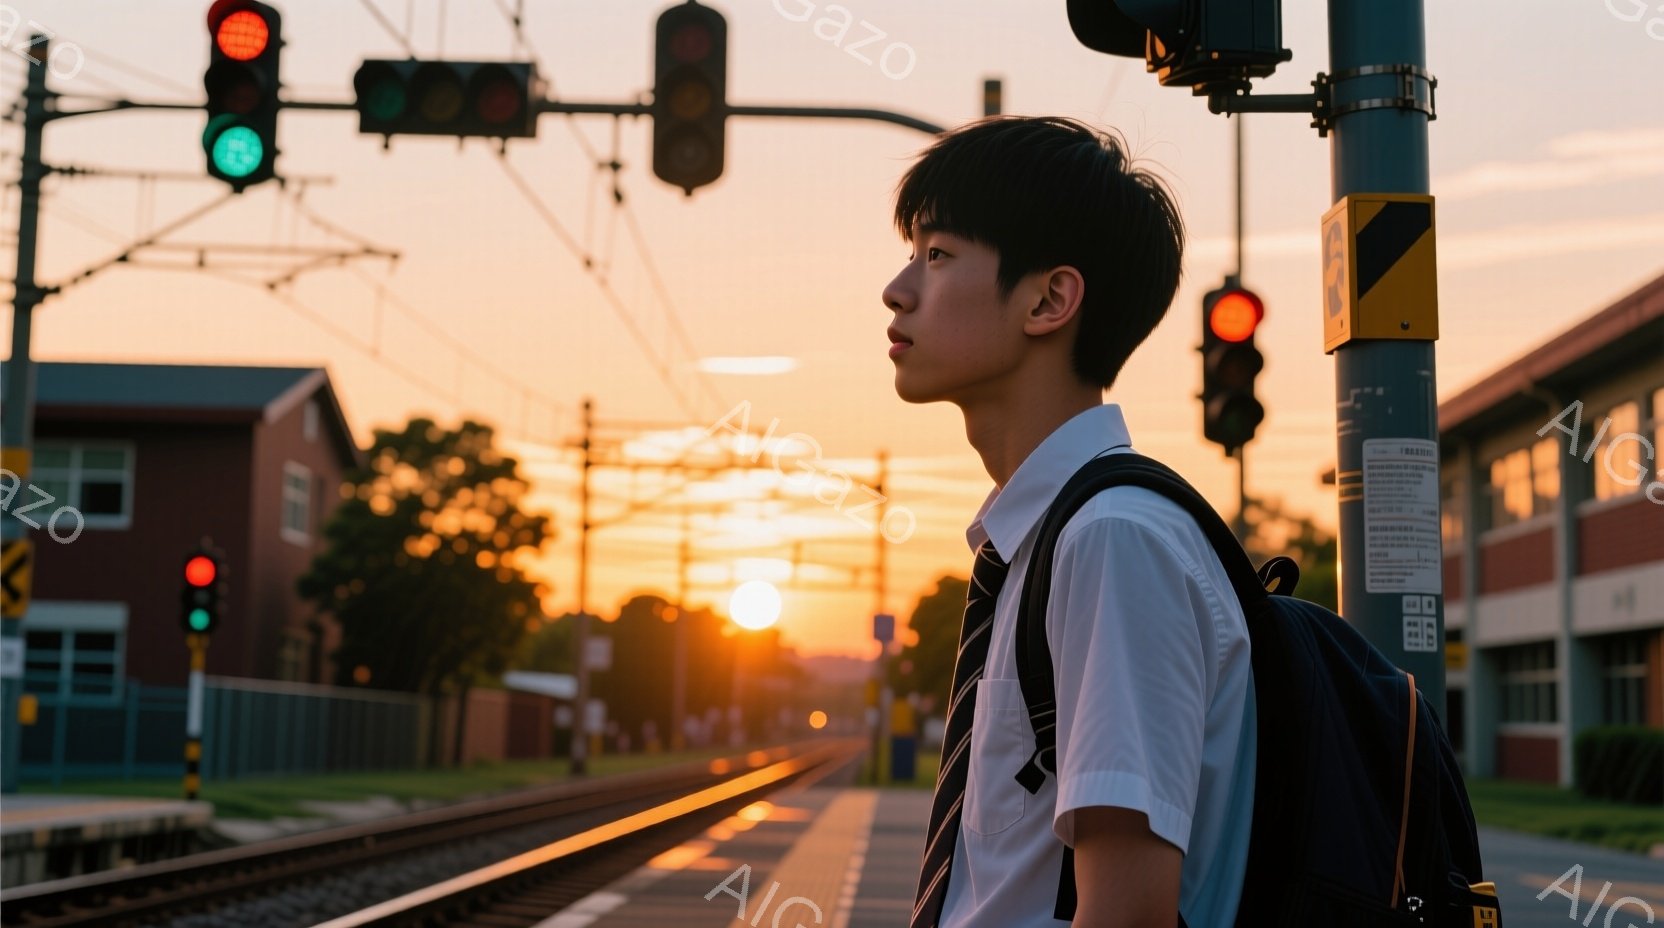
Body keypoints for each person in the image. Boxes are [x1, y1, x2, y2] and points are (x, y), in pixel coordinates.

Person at [883, 115, 1257, 928]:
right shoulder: (1048, 544)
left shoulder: (1110, 542)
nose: (898, 288)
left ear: (1050, 299)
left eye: (938, 255)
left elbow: (1128, 916)